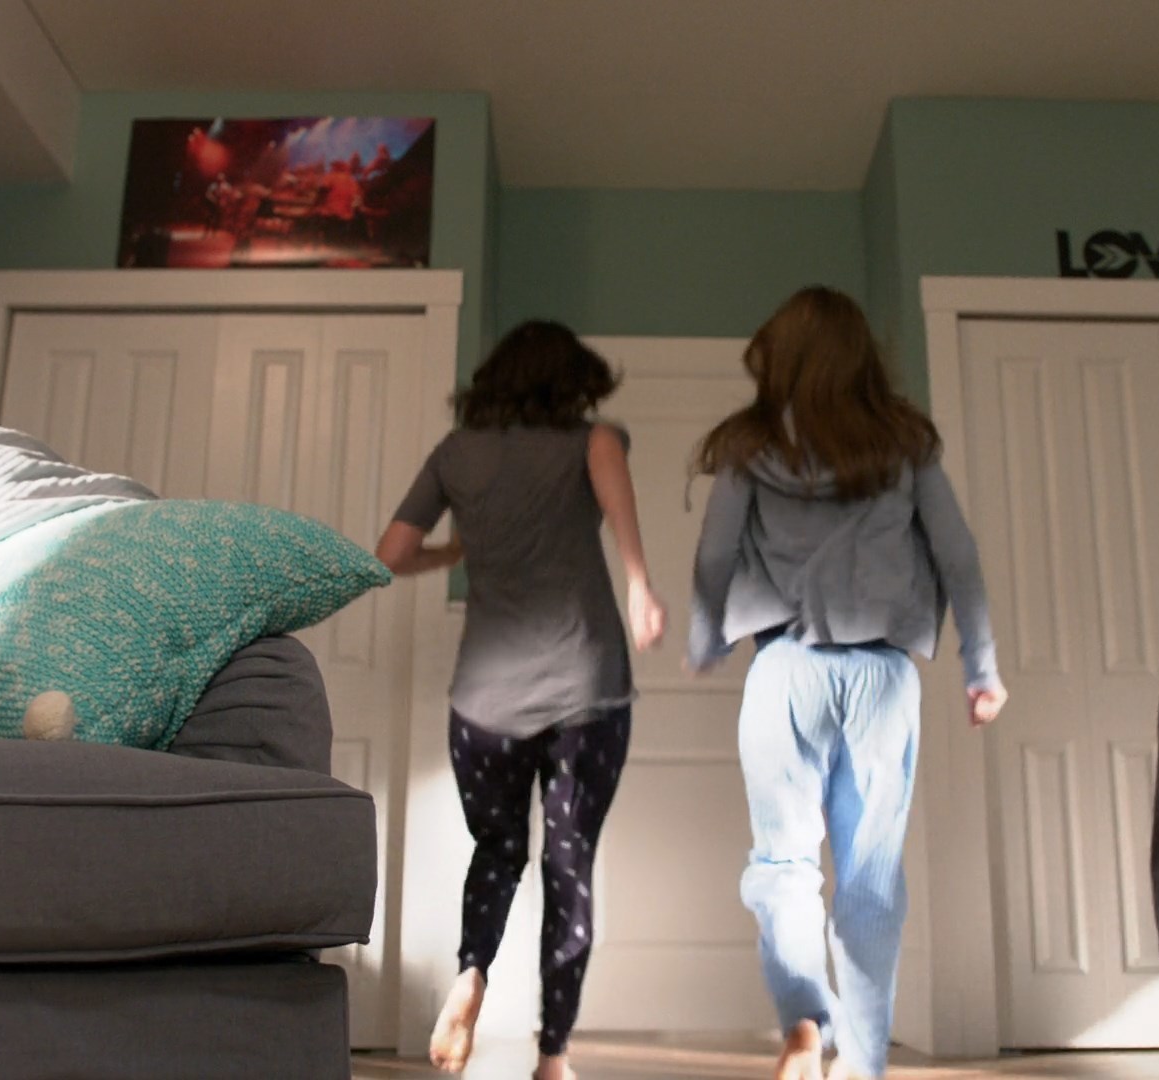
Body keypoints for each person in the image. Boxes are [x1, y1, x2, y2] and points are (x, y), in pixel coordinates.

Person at [683, 286, 1005, 1080]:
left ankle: (804, 1022)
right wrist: (981, 668)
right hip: (882, 676)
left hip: (784, 670)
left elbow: (714, 554)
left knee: (783, 864)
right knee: (869, 878)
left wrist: (704, 639)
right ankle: (862, 1064)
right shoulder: (904, 442)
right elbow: (958, 555)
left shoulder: (750, 445)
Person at [376, 320, 666, 1080]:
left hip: (483, 702)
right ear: (569, 382)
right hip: (585, 692)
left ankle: (471, 974)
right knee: (569, 867)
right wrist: (641, 586)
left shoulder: (455, 454)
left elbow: (392, 554)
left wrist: (456, 550)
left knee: (497, 851)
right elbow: (622, 524)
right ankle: (552, 1055)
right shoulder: (594, 441)